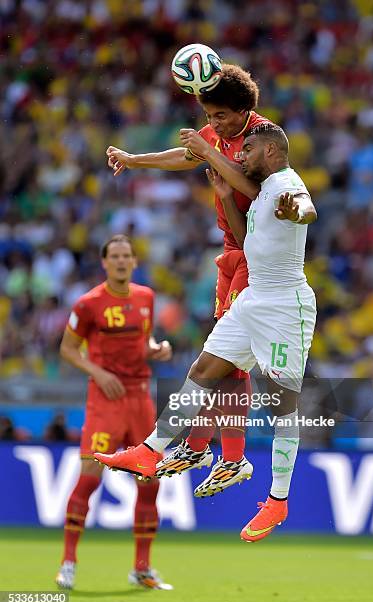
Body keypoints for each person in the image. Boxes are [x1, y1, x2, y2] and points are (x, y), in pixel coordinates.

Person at [96, 123, 317, 543]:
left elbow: (306, 208)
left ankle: (278, 499)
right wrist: (222, 197)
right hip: (253, 299)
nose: (240, 156)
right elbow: (247, 237)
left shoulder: (287, 184)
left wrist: (298, 212)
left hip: (287, 307)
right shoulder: (260, 189)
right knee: (204, 368)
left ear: (271, 151)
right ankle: (149, 452)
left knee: (283, 407)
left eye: (247, 150)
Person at [106, 63, 271, 497]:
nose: (213, 125)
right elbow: (189, 155)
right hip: (232, 252)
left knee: (227, 359)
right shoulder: (220, 132)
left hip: (260, 254)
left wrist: (208, 149)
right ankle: (204, 449)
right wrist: (134, 158)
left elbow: (257, 192)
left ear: (241, 110)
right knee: (224, 359)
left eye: (219, 117)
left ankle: (227, 456)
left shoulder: (265, 138)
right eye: (209, 117)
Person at [55, 234, 173, 589]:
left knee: (149, 484)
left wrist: (156, 349)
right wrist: (99, 372)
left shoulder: (146, 297)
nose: (121, 261)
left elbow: (144, 340)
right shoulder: (88, 304)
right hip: (105, 400)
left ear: (134, 262)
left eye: (127, 256)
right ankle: (68, 562)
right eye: (115, 256)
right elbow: (68, 349)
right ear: (104, 263)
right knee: (89, 479)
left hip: (140, 398)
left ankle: (142, 568)